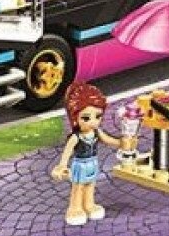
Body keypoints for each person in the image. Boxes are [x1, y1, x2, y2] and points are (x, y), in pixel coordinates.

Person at [51, 81, 121, 225]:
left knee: (90, 185)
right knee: (78, 187)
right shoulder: (76, 137)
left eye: (98, 116)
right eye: (86, 118)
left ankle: (89, 205)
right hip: (80, 164)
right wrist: (62, 165)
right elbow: (67, 152)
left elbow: (108, 140)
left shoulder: (96, 132)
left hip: (92, 163)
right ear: (75, 118)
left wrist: (122, 143)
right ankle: (75, 208)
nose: (93, 122)